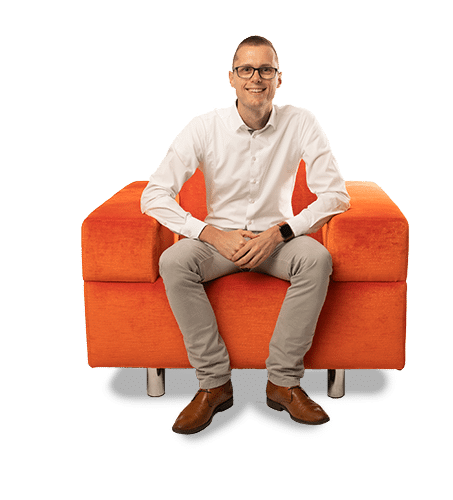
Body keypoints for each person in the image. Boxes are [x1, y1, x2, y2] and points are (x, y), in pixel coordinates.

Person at [141, 35, 350, 435]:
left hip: (277, 241)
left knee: (317, 258)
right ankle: (214, 384)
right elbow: (154, 195)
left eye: (266, 69)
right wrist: (210, 234)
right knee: (174, 261)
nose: (256, 78)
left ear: (279, 79)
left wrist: (281, 232)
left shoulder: (301, 121)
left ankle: (283, 383)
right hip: (220, 240)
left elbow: (335, 195)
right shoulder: (204, 127)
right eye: (246, 69)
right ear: (232, 78)